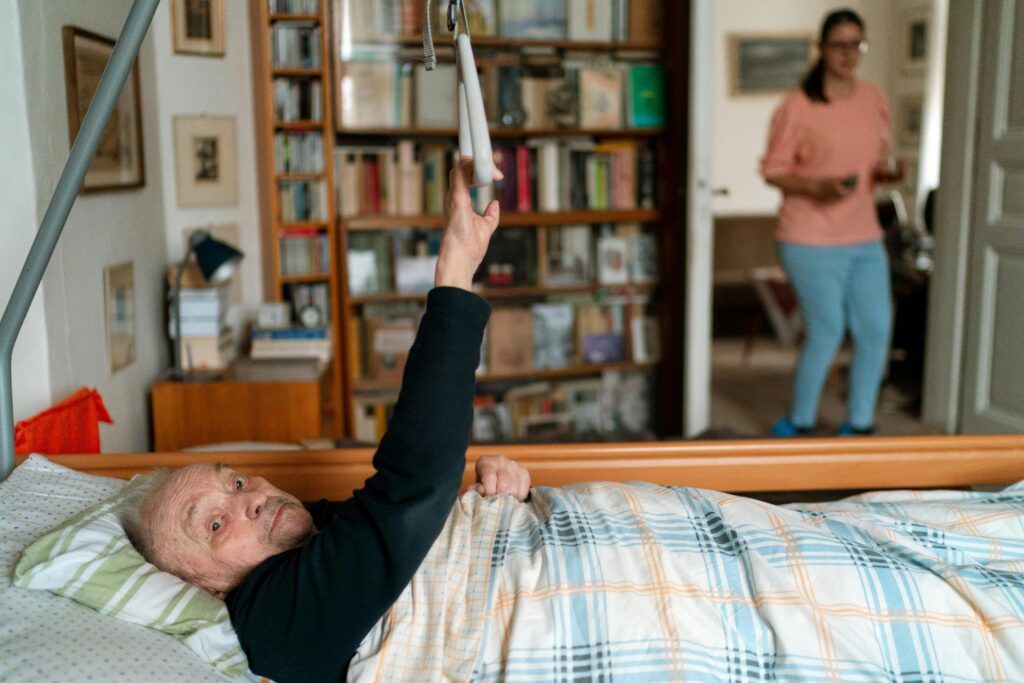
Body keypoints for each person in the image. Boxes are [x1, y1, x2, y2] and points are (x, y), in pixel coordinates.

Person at [119, 156, 528, 681]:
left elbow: (411, 513)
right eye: (216, 524)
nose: (253, 499)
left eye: (237, 481)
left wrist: (499, 499)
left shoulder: (314, 538)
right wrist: (454, 271)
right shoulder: (271, 619)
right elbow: (412, 485)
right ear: (209, 587)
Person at [760, 8, 904, 438]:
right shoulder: (797, 106)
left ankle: (859, 425)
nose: (848, 53)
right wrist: (817, 187)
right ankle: (799, 423)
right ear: (821, 47)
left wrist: (889, 173)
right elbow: (773, 169)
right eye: (839, 44)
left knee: (877, 331)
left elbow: (872, 163)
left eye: (856, 44)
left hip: (863, 236)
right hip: (809, 237)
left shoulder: (873, 98)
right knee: (827, 331)